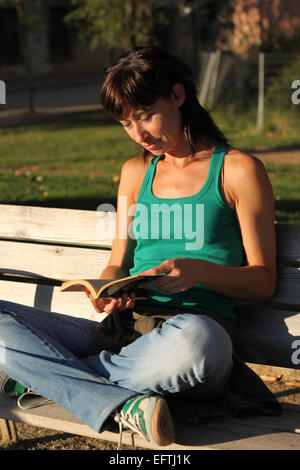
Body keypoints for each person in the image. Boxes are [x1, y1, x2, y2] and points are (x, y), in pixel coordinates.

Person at [0, 46, 278, 449]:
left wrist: (200, 273)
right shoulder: (135, 174)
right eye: (126, 124)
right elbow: (118, 264)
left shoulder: (237, 170)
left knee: (200, 337)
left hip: (191, 341)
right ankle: (112, 398)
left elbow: (263, 282)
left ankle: (47, 379)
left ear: (179, 96)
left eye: (145, 116)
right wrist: (107, 291)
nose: (139, 135)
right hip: (124, 335)